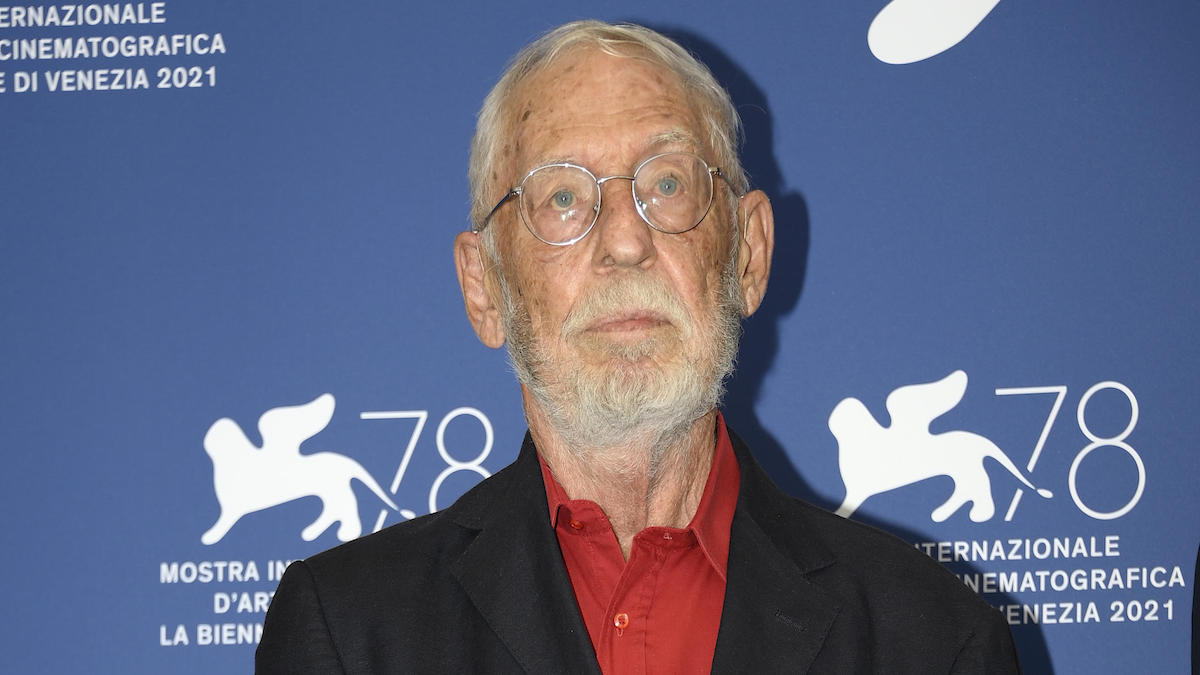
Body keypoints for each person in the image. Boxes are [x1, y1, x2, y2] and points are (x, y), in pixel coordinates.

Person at [256, 20, 1021, 674]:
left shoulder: (932, 640)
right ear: (483, 286)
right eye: (561, 197)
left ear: (748, 254)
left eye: (666, 184)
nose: (624, 241)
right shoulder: (351, 636)